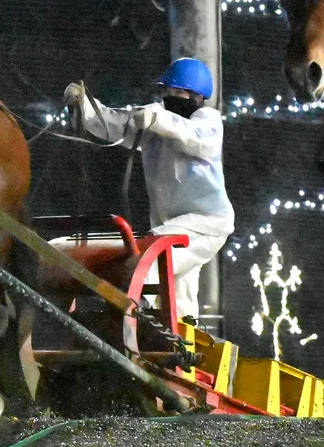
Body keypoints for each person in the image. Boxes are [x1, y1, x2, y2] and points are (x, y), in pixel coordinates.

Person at [63, 57, 235, 321]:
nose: (170, 96)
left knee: (154, 256)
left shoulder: (207, 121)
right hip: (173, 222)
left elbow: (194, 137)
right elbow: (111, 122)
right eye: (167, 90)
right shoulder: (154, 120)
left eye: (178, 92)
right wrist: (84, 105)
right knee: (179, 288)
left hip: (208, 222)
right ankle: (181, 340)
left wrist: (157, 118)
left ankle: (135, 311)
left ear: (198, 97)